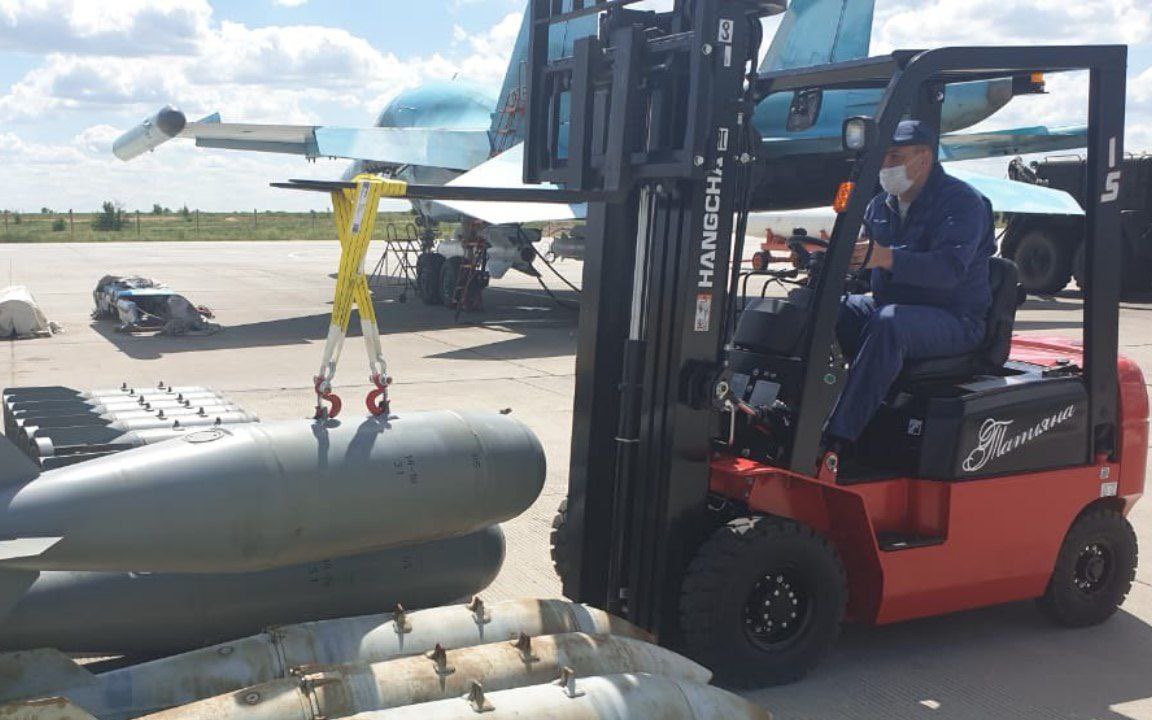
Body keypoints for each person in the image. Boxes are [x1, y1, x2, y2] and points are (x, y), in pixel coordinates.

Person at [824, 119, 996, 451]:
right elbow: (866, 261)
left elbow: (948, 270)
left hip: (955, 318)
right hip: (892, 305)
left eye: (894, 155)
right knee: (823, 308)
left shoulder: (962, 204)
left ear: (923, 159)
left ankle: (838, 439)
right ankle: (794, 410)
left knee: (889, 325)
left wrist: (884, 257)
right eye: (883, 156)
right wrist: (837, 263)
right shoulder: (879, 206)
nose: (885, 165)